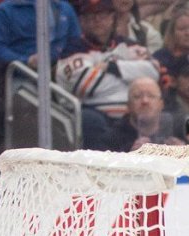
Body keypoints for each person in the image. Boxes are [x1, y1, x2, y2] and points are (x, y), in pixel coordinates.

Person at [57, 0, 160, 150]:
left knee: (161, 117)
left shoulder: (129, 45)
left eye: (102, 15)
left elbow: (153, 73)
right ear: (82, 21)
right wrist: (131, 80)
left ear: (113, 17)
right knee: (90, 120)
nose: (97, 21)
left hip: (132, 115)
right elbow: (87, 84)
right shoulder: (72, 49)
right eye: (91, 16)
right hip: (97, 115)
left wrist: (111, 67)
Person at [0, 0, 81, 70]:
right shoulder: (5, 10)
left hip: (63, 72)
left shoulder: (64, 8)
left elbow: (75, 43)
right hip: (23, 75)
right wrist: (27, 61)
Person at [109, 76, 183, 150]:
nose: (145, 101)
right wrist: (129, 155)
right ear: (128, 105)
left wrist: (184, 154)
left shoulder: (178, 133)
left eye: (151, 96)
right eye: (137, 96)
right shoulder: (112, 139)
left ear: (161, 104)